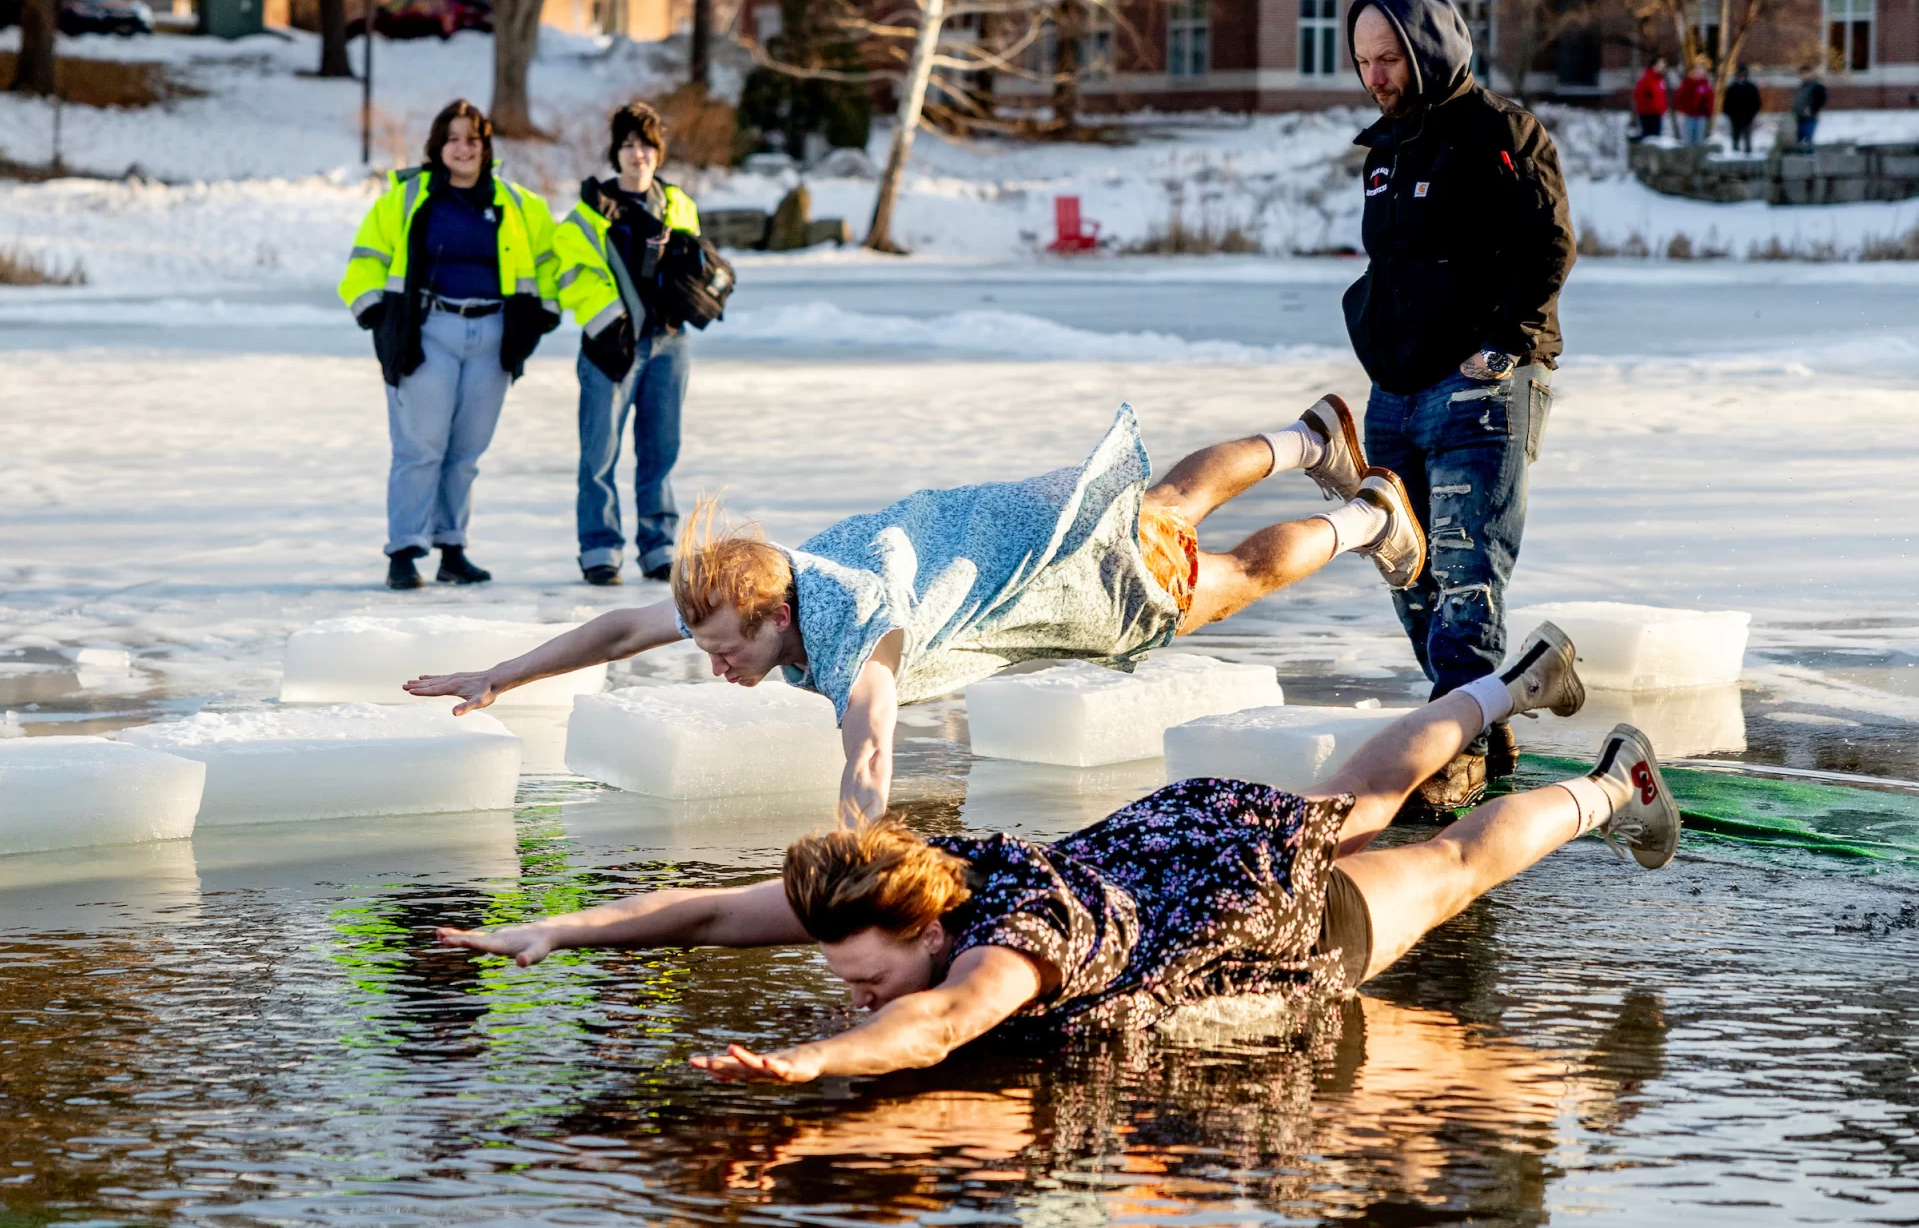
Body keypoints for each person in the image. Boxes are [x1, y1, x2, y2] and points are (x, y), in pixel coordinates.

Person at [436, 624, 1684, 1081]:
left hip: (1257, 914)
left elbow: (922, 1032)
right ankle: (1495, 689)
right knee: (1357, 791)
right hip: (1186, 836)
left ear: (926, 931)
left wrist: (813, 1065)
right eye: (838, 979)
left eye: (860, 973)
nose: (844, 983)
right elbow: (707, 914)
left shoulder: (1002, 956)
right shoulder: (906, 884)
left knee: (1456, 861)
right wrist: (551, 930)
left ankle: (1606, 783)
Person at [404, 400, 1425, 818]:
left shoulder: (846, 619)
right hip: (1036, 519)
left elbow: (873, 709)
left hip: (1077, 582)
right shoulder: (765, 584)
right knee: (1165, 500)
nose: (710, 664)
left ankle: (1368, 519)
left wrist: (860, 801)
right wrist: (502, 674)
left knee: (1234, 575)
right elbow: (623, 628)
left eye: (722, 652)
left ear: (769, 620)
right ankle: (1304, 437)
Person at [1341, 0, 1576, 807]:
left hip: (1481, 384)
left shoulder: (1502, 134)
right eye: (1364, 59)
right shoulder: (1384, 150)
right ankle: (1475, 715)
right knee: (1405, 569)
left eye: (1389, 58)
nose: (1375, 75)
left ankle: (1456, 747)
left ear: (1430, 48)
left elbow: (1550, 244)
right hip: (1396, 391)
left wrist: (1502, 344)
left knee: (1465, 566)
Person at [339, 99, 560, 590]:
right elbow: (364, 261)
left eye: (473, 140)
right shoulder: (405, 197)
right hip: (428, 332)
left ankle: (452, 548)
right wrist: (375, 311)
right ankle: (404, 550)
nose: (463, 148)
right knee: (420, 447)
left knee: (466, 452)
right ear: (438, 146)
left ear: (486, 148)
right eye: (454, 138)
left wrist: (545, 310)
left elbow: (549, 264)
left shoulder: (520, 204)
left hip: (494, 335)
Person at [555, 101, 704, 586]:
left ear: (658, 151)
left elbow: (692, 267)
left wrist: (699, 288)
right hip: (610, 347)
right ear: (615, 152)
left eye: (646, 145)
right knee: (599, 452)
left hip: (668, 343)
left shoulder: (679, 204)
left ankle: (659, 546)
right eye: (628, 145)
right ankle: (600, 548)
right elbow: (571, 274)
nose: (638, 154)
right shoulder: (589, 212)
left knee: (661, 450)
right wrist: (609, 321)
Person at [1722, 64, 1761, 153]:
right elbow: (1727, 102)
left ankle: (1748, 151)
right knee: (1735, 135)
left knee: (1747, 136)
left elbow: (1756, 102)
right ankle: (1735, 151)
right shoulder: (1732, 87)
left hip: (1748, 116)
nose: (1742, 76)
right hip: (1735, 116)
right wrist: (1729, 113)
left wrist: (1752, 113)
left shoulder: (1751, 87)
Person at [1675, 59, 1714, 145]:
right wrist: (1682, 109)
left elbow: (1709, 99)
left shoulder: (1705, 84)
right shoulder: (1687, 83)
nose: (1698, 72)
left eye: (1701, 70)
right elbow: (1680, 97)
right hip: (1689, 114)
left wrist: (1708, 111)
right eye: (1697, 69)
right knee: (1688, 139)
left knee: (1699, 139)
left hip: (1700, 115)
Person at [1632, 58, 1668, 140]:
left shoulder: (1659, 80)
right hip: (1648, 113)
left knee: (1656, 138)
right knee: (1649, 138)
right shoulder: (1647, 79)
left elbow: (1661, 97)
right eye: (1660, 64)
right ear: (1654, 66)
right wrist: (1651, 105)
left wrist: (1662, 108)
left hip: (1657, 113)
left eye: (1663, 65)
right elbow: (1638, 94)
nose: (1662, 67)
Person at [1793, 65, 1827, 147]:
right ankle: (1800, 156)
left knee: (1807, 139)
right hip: (1799, 116)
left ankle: (1808, 156)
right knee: (1798, 139)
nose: (1803, 76)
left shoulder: (1817, 86)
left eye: (1806, 73)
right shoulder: (1802, 86)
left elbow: (1820, 100)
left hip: (1809, 117)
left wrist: (1811, 110)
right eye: (1802, 74)